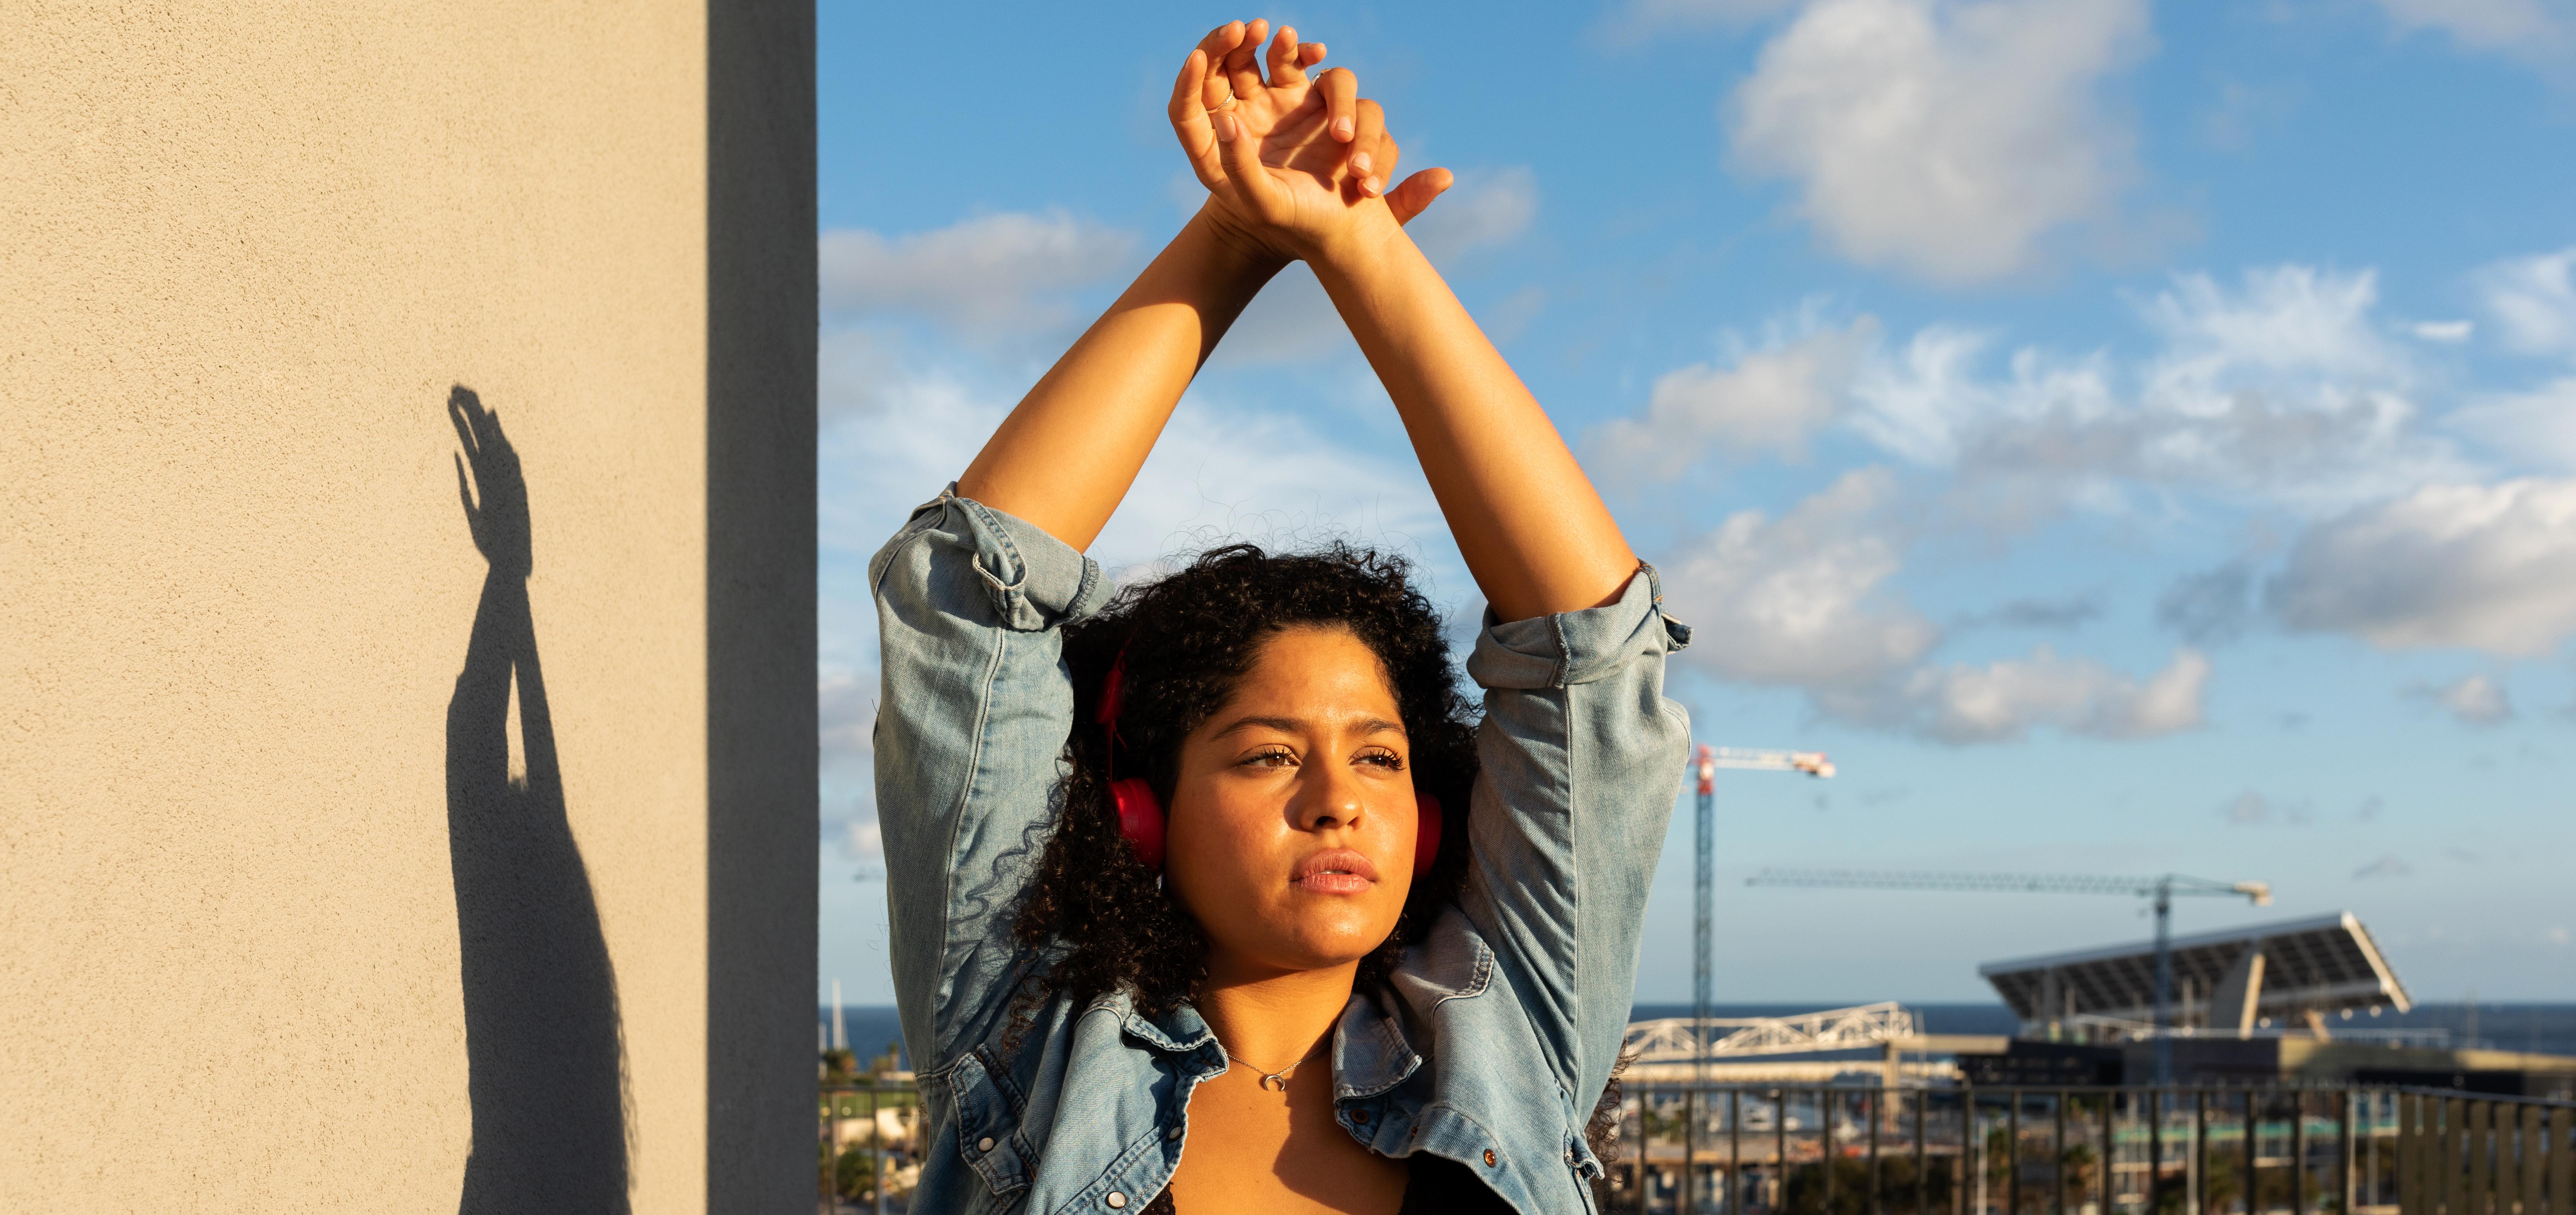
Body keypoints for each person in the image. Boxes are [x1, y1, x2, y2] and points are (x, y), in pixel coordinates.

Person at [871, 20, 1690, 1213]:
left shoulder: (1506, 1032)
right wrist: (1232, 239)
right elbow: (967, 599)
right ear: (1139, 812)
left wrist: (1360, 249)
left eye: (1378, 754)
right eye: (1265, 755)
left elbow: (1594, 664)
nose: (1338, 797)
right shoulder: (1029, 1043)